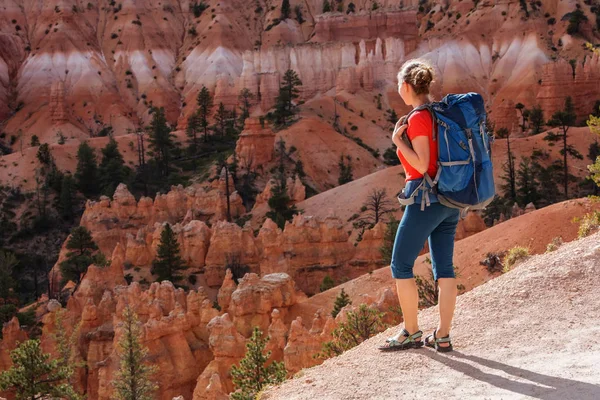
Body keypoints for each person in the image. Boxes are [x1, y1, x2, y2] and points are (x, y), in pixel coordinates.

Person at [378, 60, 459, 353]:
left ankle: (411, 331)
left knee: (400, 264)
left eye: (399, 84)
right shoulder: (440, 113)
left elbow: (423, 164)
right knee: (444, 267)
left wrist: (398, 142)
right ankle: (443, 335)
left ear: (406, 86)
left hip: (427, 199)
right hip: (451, 199)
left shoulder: (419, 118)